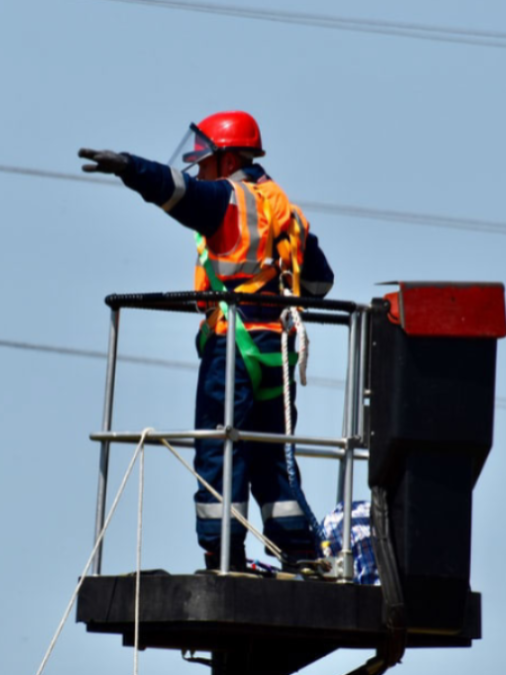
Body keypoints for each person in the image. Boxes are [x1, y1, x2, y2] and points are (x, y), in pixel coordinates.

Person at [79, 111, 334, 572]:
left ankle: (225, 557)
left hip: (233, 347)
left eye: (205, 160)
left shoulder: (229, 200)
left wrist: (129, 167)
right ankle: (300, 553)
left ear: (229, 158)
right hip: (278, 348)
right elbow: (319, 284)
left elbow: (178, 191)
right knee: (271, 455)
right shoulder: (284, 208)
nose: (198, 169)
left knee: (221, 448)